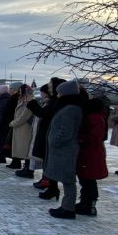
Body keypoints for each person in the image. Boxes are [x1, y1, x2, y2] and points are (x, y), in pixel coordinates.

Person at [45, 80, 84, 219]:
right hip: (62, 149)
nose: (58, 95)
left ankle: (68, 208)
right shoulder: (69, 107)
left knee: (68, 179)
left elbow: (66, 132)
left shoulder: (71, 109)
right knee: (65, 178)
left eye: (60, 92)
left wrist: (55, 142)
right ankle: (66, 206)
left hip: (65, 149)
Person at [28, 78, 65, 198]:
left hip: (51, 134)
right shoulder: (54, 101)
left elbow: (44, 113)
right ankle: (50, 186)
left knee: (50, 161)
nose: (48, 89)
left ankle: (52, 187)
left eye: (50, 86)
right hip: (47, 133)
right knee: (47, 160)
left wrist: (32, 103)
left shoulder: (56, 102)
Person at [76, 93, 109, 216]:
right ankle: (85, 202)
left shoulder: (95, 118)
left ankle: (89, 205)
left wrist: (80, 138)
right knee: (86, 180)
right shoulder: (97, 116)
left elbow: (95, 137)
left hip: (91, 153)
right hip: (90, 152)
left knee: (88, 180)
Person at [9, 84, 34, 176]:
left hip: (25, 127)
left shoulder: (28, 100)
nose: (19, 93)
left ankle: (28, 169)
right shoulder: (23, 100)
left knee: (26, 148)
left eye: (20, 91)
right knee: (23, 148)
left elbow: (25, 115)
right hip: (20, 127)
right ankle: (26, 167)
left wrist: (14, 123)